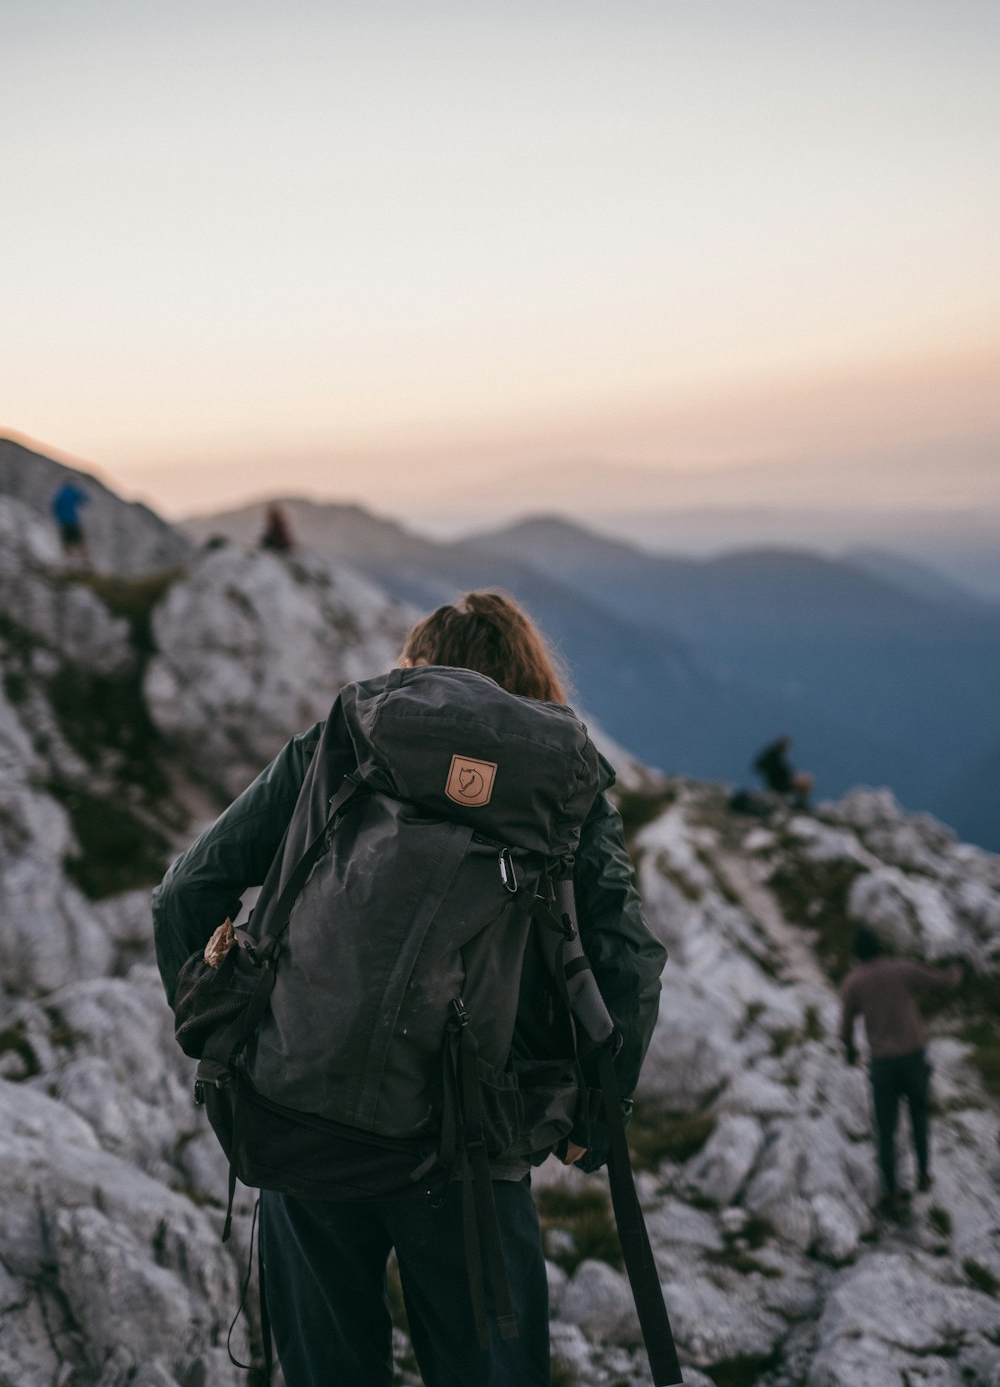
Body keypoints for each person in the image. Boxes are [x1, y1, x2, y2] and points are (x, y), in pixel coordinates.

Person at [152, 590, 667, 1387]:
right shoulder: (560, 784)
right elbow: (626, 961)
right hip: (471, 1140)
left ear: (416, 669)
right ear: (529, 682)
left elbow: (184, 894)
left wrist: (228, 1039)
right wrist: (595, 1121)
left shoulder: (348, 741)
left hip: (302, 1115)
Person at [840, 924, 962, 1213]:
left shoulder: (854, 982)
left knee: (886, 1130)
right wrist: (958, 967)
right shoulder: (902, 970)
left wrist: (849, 1051)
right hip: (914, 1058)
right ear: (880, 947)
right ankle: (923, 1175)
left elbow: (845, 1028)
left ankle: (892, 1192)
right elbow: (943, 982)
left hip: (883, 1065)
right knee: (919, 1116)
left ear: (857, 954)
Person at [752, 735, 812, 808]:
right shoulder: (774, 758)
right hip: (778, 785)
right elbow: (759, 767)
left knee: (804, 779)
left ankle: (800, 803)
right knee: (806, 781)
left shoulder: (773, 756)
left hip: (778, 783)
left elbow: (758, 766)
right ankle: (801, 804)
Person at [50, 479, 91, 562]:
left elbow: (54, 506)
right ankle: (84, 556)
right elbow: (83, 498)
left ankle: (67, 557)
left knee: (66, 540)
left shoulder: (59, 494)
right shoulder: (72, 492)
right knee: (79, 538)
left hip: (63, 522)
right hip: (73, 520)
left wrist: (57, 518)